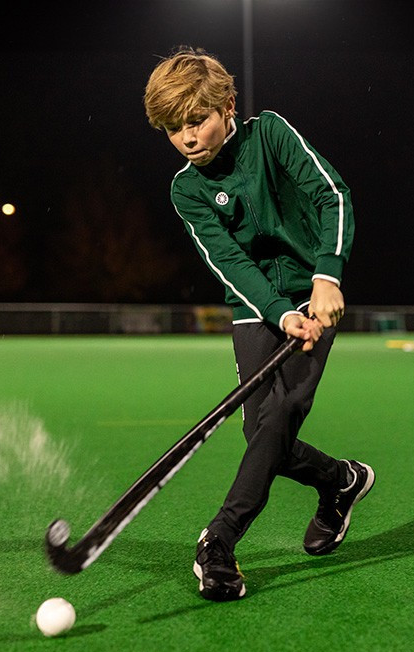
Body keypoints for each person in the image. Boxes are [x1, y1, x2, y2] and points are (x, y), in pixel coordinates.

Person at [143, 47, 374, 602]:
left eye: (196, 121)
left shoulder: (269, 134)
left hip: (315, 295)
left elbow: (332, 195)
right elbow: (230, 262)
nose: (187, 138)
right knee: (261, 434)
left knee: (278, 418)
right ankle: (341, 480)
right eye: (174, 129)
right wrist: (278, 314)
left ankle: (218, 542)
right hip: (255, 308)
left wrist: (326, 277)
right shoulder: (187, 190)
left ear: (227, 106)